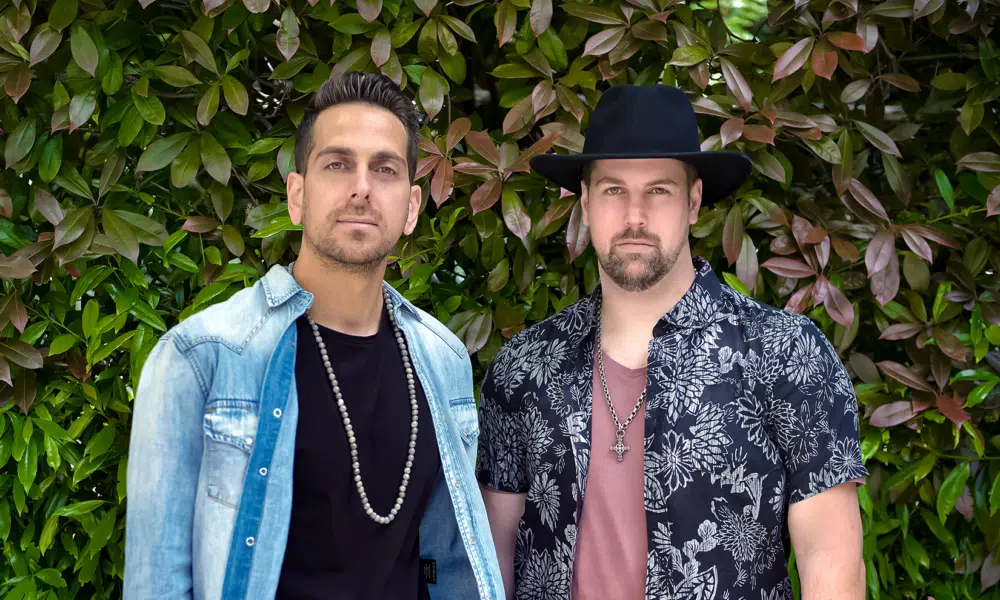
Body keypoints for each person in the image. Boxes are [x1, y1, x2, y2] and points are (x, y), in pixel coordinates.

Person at [476, 84, 868, 600]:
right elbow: (491, 561)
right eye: (614, 190)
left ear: (694, 200)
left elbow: (832, 564)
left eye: (658, 190)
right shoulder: (525, 366)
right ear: (587, 203)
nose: (635, 216)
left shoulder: (783, 353)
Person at [124, 72, 504, 600]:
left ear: (412, 207)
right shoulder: (201, 358)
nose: (362, 186)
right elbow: (156, 584)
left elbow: (449, 558)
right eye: (338, 163)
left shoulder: (443, 361)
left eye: (385, 169)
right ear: (297, 195)